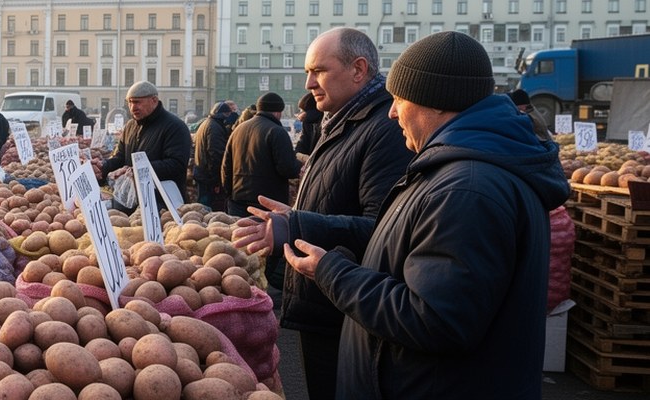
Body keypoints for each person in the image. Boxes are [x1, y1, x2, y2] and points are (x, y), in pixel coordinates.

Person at [283, 31, 568, 399]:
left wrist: (333, 273)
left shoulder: (468, 188)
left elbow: (435, 319)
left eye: (400, 99)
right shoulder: (457, 171)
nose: (391, 111)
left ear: (436, 102)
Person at [230, 27, 414, 400]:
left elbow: (385, 229)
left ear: (359, 70)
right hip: (328, 305)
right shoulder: (344, 119)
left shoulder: (384, 130)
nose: (309, 82)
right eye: (307, 72)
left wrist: (297, 223)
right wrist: (296, 212)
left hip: (349, 315)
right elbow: (341, 200)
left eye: (319, 70)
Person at [102, 81, 192, 206]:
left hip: (163, 203)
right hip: (131, 201)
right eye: (130, 102)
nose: (133, 107)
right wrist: (102, 167)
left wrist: (140, 170)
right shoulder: (130, 126)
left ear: (154, 100)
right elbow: (120, 157)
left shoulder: (175, 127)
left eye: (137, 102)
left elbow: (176, 165)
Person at [221, 92, 301, 217]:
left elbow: (226, 167)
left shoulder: (238, 129)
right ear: (277, 112)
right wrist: (300, 165)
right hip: (267, 204)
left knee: (239, 235)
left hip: (237, 200)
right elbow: (287, 168)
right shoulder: (277, 131)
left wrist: (229, 193)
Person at [192, 101, 237, 211]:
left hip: (202, 173)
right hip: (208, 177)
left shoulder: (206, 123)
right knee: (206, 209)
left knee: (203, 207)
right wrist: (217, 181)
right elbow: (216, 155)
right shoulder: (215, 128)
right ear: (224, 115)